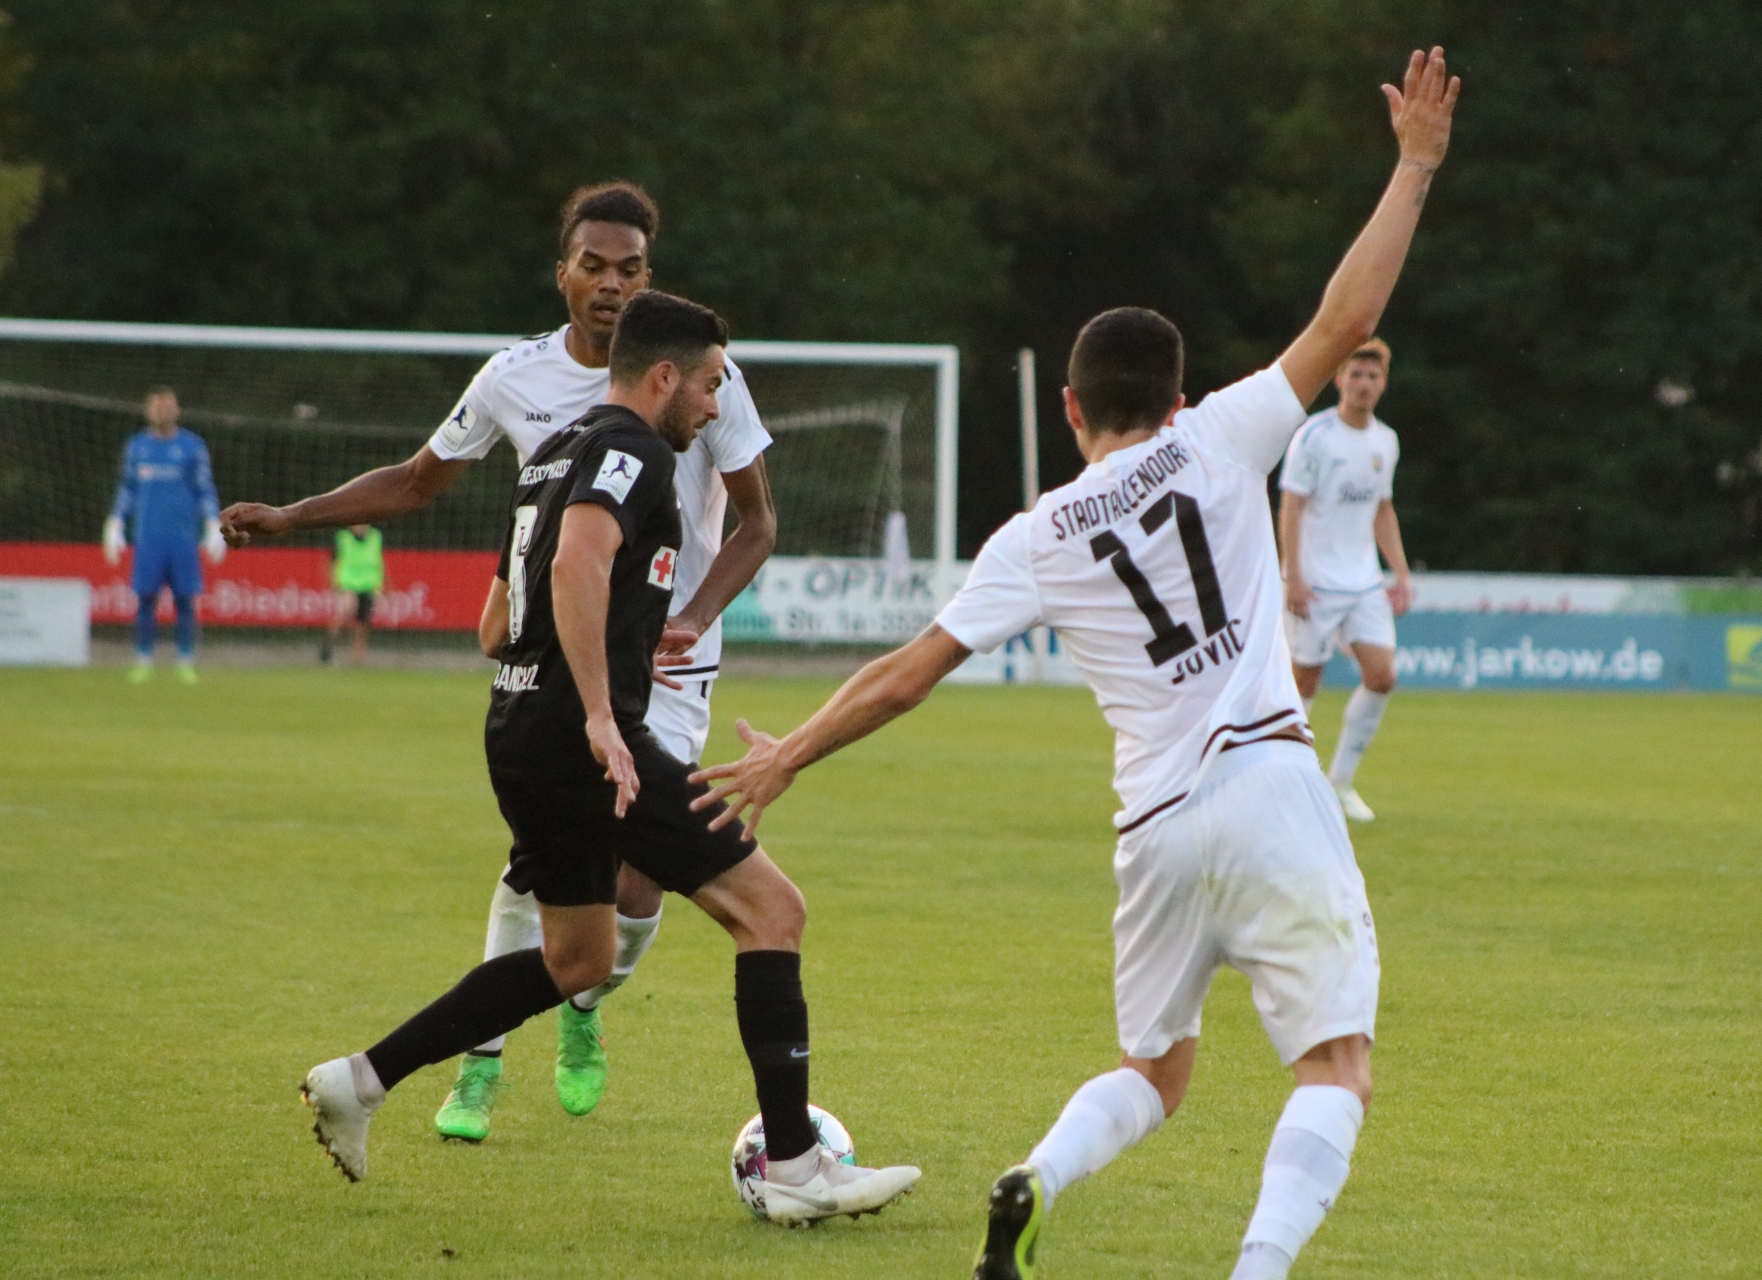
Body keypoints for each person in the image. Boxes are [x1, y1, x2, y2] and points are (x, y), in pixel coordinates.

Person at [690, 48, 1457, 1279]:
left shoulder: (1037, 532)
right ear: (1179, 391)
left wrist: (788, 752)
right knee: (1336, 1063)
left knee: (1158, 1067)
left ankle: (1039, 1173)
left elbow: (910, 667)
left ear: (1069, 409)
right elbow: (1345, 321)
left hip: (1151, 827)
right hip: (1266, 782)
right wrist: (1415, 165)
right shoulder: (1228, 432)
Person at [299, 291, 919, 1225]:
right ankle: (795, 1167)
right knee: (772, 911)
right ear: (664, 377)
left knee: (578, 956)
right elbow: (577, 564)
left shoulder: (560, 445)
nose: (715, 406)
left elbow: (522, 593)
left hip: (520, 728)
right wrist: (598, 713)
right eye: (710, 385)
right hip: (579, 735)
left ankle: (362, 1080)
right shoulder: (629, 449)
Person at [221, 182, 777, 1139]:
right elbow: (416, 480)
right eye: (593, 266)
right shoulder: (512, 378)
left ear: (651, 278)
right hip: (562, 669)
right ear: (560, 272)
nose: (611, 285)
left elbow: (758, 522)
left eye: (630, 269)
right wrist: (293, 516)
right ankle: (477, 1069)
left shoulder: (697, 375)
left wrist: (691, 612)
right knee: (564, 876)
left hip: (669, 670)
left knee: (635, 889)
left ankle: (581, 1011)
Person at [1277, 337, 1411, 823]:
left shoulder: (1386, 441)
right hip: (1314, 582)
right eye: (1355, 374)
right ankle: (1280, 783)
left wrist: (1399, 571)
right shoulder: (1314, 437)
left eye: (1373, 376)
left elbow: (1382, 509)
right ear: (1339, 380)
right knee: (1303, 685)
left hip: (1363, 583)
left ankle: (1340, 783)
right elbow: (1291, 506)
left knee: (1382, 676)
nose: (1364, 384)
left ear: (1383, 384)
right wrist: (1293, 575)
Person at [106, 386, 225, 683]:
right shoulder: (137, 447)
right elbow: (128, 489)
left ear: (177, 411)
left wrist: (213, 525)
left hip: (183, 538)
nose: (162, 412)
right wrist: (116, 522)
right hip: (148, 537)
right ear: (148, 411)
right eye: (157, 407)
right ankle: (143, 660)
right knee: (145, 599)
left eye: (167, 406)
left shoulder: (192, 447)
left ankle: (185, 661)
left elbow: (204, 488)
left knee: (186, 600)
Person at [321, 524, 384, 665]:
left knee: (363, 623)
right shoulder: (344, 538)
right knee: (345, 611)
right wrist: (334, 581)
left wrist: (382, 583)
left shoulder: (375, 537)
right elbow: (333, 561)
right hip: (348, 584)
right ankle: (327, 646)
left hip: (368, 585)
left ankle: (357, 658)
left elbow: (379, 561)